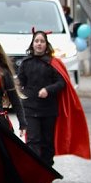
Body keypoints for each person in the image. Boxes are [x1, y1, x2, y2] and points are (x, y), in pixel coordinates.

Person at [17, 29, 65, 167]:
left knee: (47, 142)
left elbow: (61, 83)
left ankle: (47, 167)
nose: (39, 44)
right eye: (36, 41)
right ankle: (35, 170)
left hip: (49, 109)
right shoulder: (25, 63)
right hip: (30, 108)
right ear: (32, 44)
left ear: (46, 44)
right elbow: (20, 83)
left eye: (42, 41)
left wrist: (48, 90)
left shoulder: (52, 63)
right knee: (33, 140)